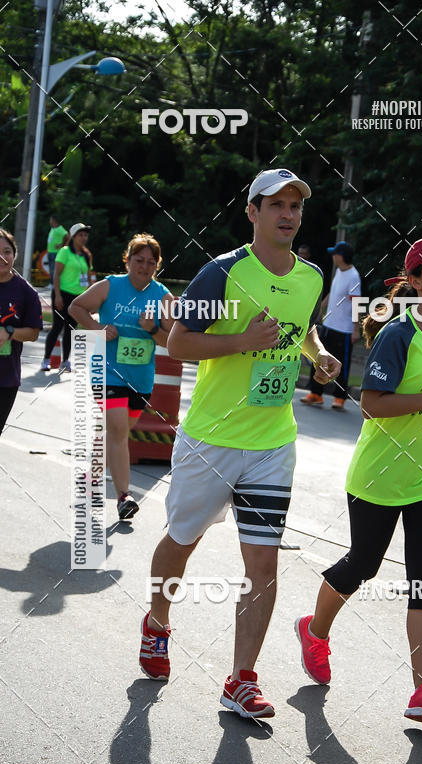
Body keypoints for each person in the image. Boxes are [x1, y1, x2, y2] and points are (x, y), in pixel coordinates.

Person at [139, 167, 341, 719]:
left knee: (263, 563)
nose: (287, 214)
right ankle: (157, 622)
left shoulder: (311, 277)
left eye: (296, 206)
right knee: (182, 541)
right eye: (276, 204)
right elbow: (179, 343)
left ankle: (241, 680)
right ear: (252, 212)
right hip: (211, 440)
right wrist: (241, 341)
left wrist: (315, 354)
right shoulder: (221, 273)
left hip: (274, 443)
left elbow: (302, 327)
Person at [295, 235, 422, 723]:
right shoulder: (399, 334)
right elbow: (372, 404)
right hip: (379, 476)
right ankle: (314, 630)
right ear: (414, 281)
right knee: (363, 566)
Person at [69, 234, 175, 520]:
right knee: (117, 431)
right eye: (139, 261)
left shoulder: (162, 296)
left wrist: (153, 330)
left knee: (115, 432)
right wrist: (96, 327)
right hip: (107, 372)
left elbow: (173, 342)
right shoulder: (110, 285)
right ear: (127, 260)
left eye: (151, 263)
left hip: (141, 378)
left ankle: (90, 479)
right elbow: (75, 307)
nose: (144, 267)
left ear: (157, 265)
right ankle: (123, 497)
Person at [301, 240, 361, 410]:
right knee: (318, 357)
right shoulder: (339, 272)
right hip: (329, 325)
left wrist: (356, 329)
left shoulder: (353, 275)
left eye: (335, 253)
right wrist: (319, 308)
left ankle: (340, 398)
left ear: (341, 256)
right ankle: (316, 393)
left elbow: (357, 303)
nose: (333, 256)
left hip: (344, 329)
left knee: (342, 364)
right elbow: (332, 294)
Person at [0, 229, 43, 435]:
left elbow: (33, 333)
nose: (2, 257)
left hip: (6, 378)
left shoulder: (26, 292)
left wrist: (9, 332)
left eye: (7, 251)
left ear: (14, 254)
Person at [41, 223, 93, 372]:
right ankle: (46, 359)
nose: (83, 238)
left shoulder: (86, 255)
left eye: (85, 235)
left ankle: (65, 361)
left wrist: (90, 295)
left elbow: (89, 278)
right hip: (62, 294)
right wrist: (57, 295)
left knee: (71, 329)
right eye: (80, 235)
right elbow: (56, 274)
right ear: (73, 237)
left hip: (78, 298)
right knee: (57, 327)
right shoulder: (64, 252)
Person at [46, 214, 68, 282]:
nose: (49, 221)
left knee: (54, 269)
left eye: (50, 220)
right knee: (51, 269)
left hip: (56, 252)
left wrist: (62, 245)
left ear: (53, 220)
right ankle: (52, 282)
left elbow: (67, 236)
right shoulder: (53, 228)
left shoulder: (60, 228)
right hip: (50, 251)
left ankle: (53, 283)